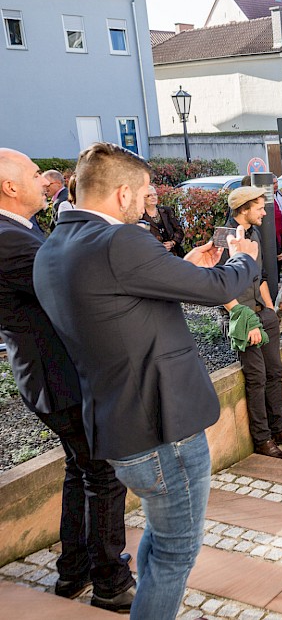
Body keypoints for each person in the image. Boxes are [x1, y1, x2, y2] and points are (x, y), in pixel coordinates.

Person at [34, 142, 260, 620]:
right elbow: (222, 289)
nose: (147, 202)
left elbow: (120, 306)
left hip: (117, 424)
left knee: (161, 536)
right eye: (143, 193)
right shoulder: (121, 241)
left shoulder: (56, 244)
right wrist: (244, 257)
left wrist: (183, 269)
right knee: (178, 551)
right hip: (164, 430)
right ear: (121, 194)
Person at [0, 148, 136, 611]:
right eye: (35, 174)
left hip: (50, 377)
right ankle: (111, 582)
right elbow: (74, 279)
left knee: (82, 472)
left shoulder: (20, 228)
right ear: (10, 187)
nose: (45, 179)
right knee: (103, 473)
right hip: (57, 379)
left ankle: (73, 572)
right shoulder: (7, 239)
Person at [219, 187, 282, 459]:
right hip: (241, 316)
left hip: (262, 313)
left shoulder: (254, 232)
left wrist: (268, 310)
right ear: (243, 208)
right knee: (256, 378)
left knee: (274, 372)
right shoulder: (224, 238)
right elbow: (221, 288)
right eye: (259, 207)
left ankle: (279, 428)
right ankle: (262, 439)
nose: (264, 212)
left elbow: (262, 276)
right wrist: (248, 321)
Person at [141, 185, 184, 257]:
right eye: (149, 195)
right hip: (153, 256)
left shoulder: (167, 211)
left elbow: (179, 231)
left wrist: (172, 243)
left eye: (155, 194)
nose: (153, 197)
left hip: (174, 254)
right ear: (143, 198)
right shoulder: (140, 216)